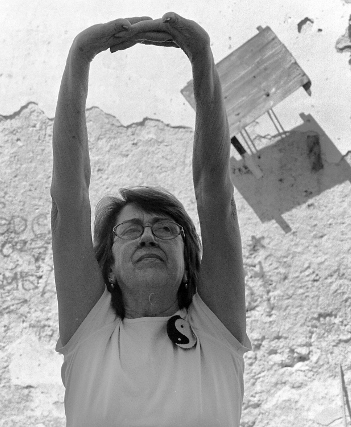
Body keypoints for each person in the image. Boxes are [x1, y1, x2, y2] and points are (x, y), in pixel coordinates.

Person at [51, 12, 251, 426]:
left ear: (188, 262)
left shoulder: (214, 329)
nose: (147, 237)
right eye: (130, 229)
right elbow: (68, 203)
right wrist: (78, 60)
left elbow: (217, 198)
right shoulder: (91, 331)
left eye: (165, 229)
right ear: (107, 266)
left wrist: (202, 57)